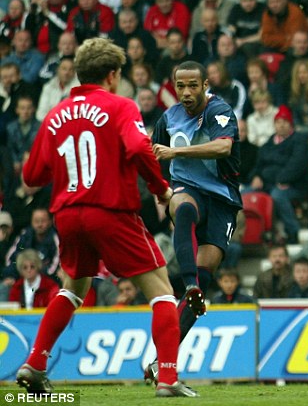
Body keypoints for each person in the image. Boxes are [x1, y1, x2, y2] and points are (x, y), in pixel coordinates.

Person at [18, 37, 192, 397]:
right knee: (161, 291)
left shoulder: (54, 116)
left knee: (74, 286)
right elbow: (138, 147)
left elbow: (32, 177)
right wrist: (161, 190)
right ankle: (169, 378)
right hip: (109, 211)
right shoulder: (120, 106)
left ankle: (34, 364)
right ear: (112, 75)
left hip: (67, 215)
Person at [148, 60, 242, 384]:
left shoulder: (220, 111)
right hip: (187, 190)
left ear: (205, 85)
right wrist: (161, 190)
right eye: (180, 86)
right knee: (184, 209)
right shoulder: (168, 117)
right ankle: (189, 283)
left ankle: (161, 361)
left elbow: (223, 147)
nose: (186, 93)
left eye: (192, 86)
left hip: (222, 200)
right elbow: (152, 153)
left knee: (207, 271)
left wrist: (177, 155)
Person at [249, 105, 308, 243]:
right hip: (268, 183)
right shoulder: (269, 142)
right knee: (245, 194)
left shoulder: (299, 141)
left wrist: (281, 180)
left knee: (278, 195)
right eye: (278, 122)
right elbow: (259, 164)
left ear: (291, 124)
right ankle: (255, 235)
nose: (281, 126)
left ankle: (293, 232)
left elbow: (297, 166)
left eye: (284, 122)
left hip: (294, 185)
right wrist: (256, 176)